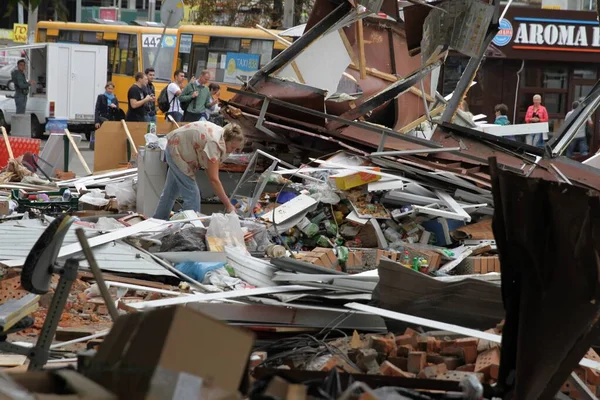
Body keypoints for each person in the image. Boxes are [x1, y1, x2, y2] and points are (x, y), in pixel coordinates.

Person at [153, 121, 245, 219]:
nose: (232, 151)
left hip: (178, 148)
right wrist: (228, 205)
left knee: (170, 192)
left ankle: (158, 220)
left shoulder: (223, 134)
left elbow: (210, 170)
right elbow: (214, 179)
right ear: (226, 140)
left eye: (236, 149)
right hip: (177, 150)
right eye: (232, 147)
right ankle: (190, 228)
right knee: (192, 195)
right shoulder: (214, 143)